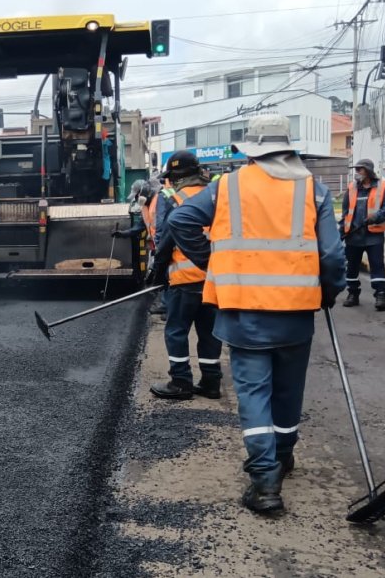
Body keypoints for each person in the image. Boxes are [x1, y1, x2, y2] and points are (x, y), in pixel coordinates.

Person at [168, 115, 346, 515]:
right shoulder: (312, 189)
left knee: (253, 394)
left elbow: (181, 219)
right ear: (288, 149)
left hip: (244, 311)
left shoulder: (227, 187)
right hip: (296, 314)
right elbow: (333, 256)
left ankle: (265, 481)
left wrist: (211, 263)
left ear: (250, 151)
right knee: (288, 391)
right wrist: (328, 292)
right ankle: (283, 457)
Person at [149, 150, 222, 401]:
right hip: (214, 278)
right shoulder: (216, 195)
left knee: (177, 331)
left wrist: (157, 272)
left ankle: (181, 381)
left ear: (174, 177)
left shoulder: (174, 199)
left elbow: (166, 239)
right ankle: (211, 382)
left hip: (184, 280)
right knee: (209, 331)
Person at [340, 158, 385, 311]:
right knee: (351, 267)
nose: (357, 172)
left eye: (360, 169)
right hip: (353, 235)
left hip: (373, 235)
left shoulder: (384, 187)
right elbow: (345, 212)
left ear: (368, 171)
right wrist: (340, 231)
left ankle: (380, 295)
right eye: (356, 169)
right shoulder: (352, 188)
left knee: (377, 265)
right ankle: (352, 294)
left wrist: (375, 218)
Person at [113, 179, 165, 315]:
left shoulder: (160, 201)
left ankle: (167, 305)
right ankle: (166, 304)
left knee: (166, 275)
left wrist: (160, 248)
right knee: (162, 275)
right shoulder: (145, 207)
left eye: (137, 196)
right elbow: (139, 227)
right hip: (158, 245)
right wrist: (122, 234)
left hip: (165, 244)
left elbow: (163, 226)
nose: (136, 199)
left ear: (145, 192)